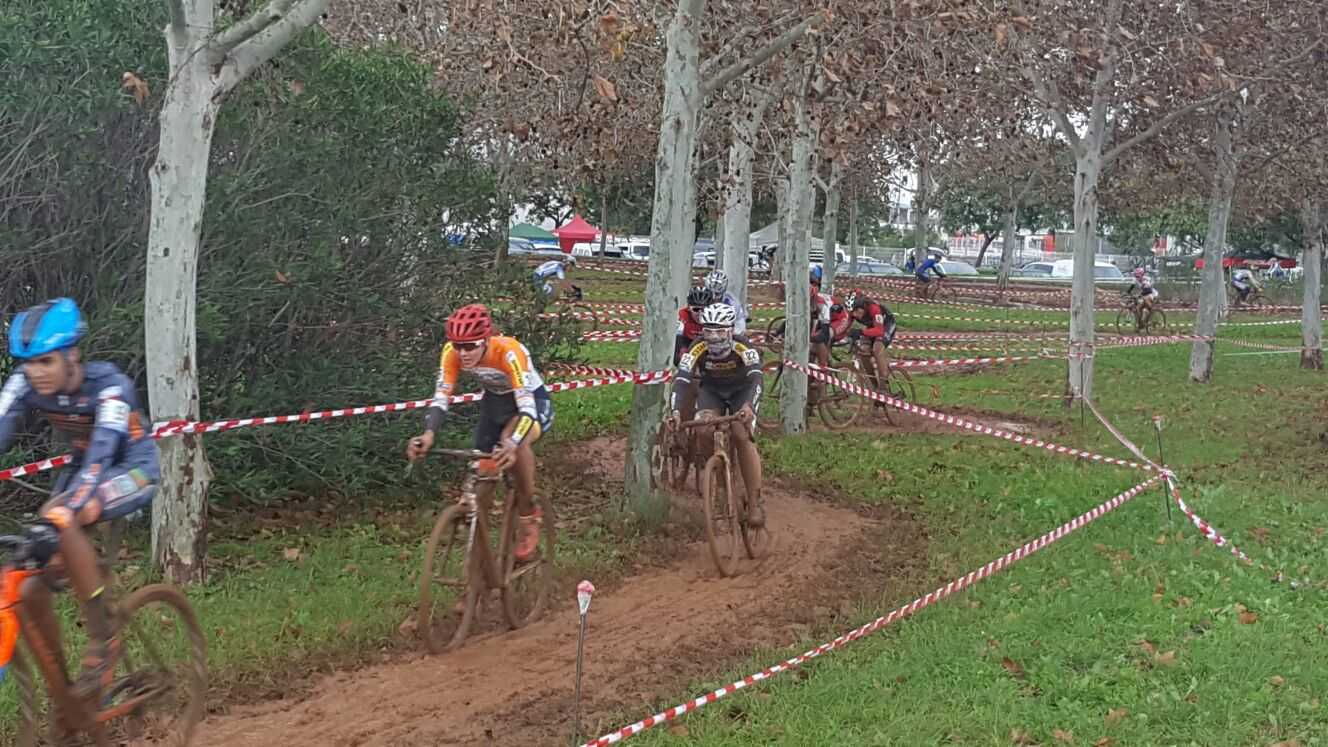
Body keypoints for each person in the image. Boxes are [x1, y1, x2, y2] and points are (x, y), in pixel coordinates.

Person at [0, 298, 160, 699]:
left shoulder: (110, 386)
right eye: (28, 363)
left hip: (131, 469)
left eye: (46, 362)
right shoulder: (25, 381)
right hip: (81, 470)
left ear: (72, 354)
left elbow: (103, 453)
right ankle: (66, 692)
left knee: (63, 516)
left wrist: (65, 511)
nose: (35, 373)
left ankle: (104, 641)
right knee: (32, 578)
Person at [406, 304, 553, 563]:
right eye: (457, 345)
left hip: (531, 403)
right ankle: (476, 582)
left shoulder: (508, 352)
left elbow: (527, 409)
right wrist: (428, 434)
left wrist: (512, 442)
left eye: (470, 346)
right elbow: (441, 398)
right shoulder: (451, 353)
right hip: (494, 405)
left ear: (486, 340)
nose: (463, 353)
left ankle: (529, 515)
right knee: (481, 481)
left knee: (514, 446)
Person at [670, 304, 765, 526]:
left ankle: (754, 502)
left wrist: (749, 406)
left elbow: (756, 378)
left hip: (742, 392)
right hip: (712, 392)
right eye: (708, 330)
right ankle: (721, 485)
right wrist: (675, 411)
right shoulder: (697, 346)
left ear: (731, 330)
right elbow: (682, 378)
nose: (713, 336)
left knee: (742, 436)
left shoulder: (743, 346)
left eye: (720, 330)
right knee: (703, 429)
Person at [847, 294, 899, 395]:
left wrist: (860, 332)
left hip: (886, 325)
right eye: (852, 313)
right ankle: (874, 386)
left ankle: (883, 386)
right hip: (872, 326)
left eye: (857, 311)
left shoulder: (874, 308)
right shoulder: (853, 313)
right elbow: (845, 327)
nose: (855, 315)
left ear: (862, 307)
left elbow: (879, 331)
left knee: (877, 349)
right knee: (863, 351)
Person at [675, 286, 715, 365]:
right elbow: (678, 339)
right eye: (696, 309)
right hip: (688, 344)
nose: (700, 313)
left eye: (704, 310)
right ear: (689, 308)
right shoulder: (682, 315)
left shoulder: (716, 315)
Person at [702, 270, 749, 338]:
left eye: (717, 294)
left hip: (729, 331)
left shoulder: (732, 302)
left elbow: (740, 325)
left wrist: (735, 333)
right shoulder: (701, 299)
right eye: (710, 293)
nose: (714, 297)